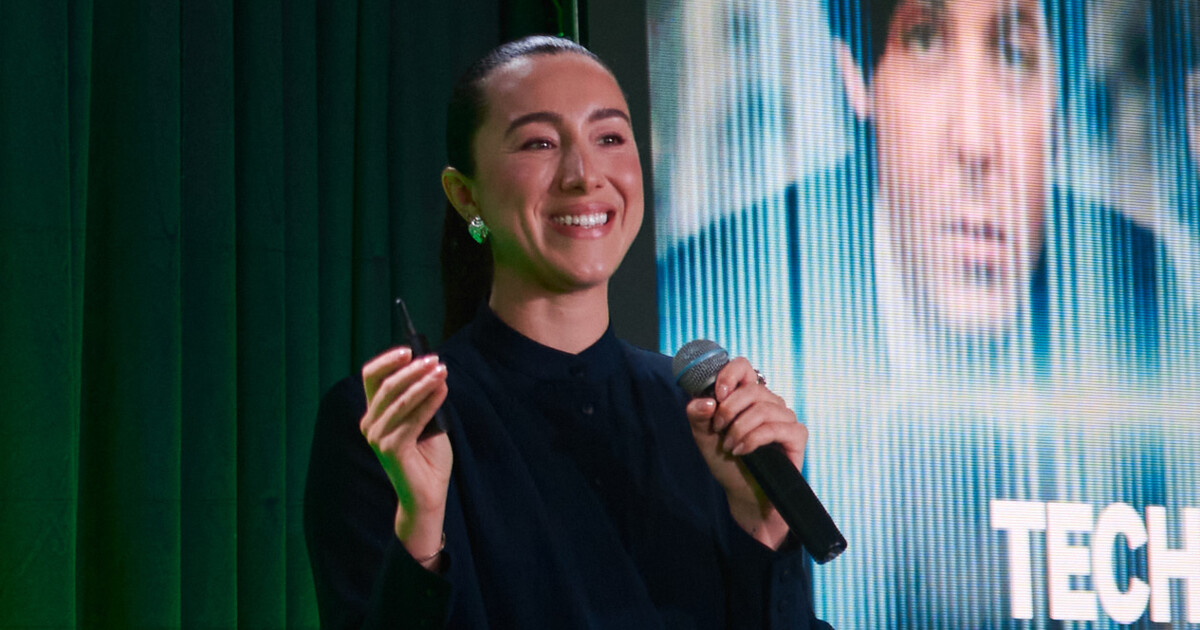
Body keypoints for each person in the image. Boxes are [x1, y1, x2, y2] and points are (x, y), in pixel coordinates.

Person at [305, 35, 833, 629]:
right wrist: (422, 535)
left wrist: (764, 528)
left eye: (609, 138)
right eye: (540, 142)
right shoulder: (393, 429)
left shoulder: (706, 418)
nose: (584, 175)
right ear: (466, 196)